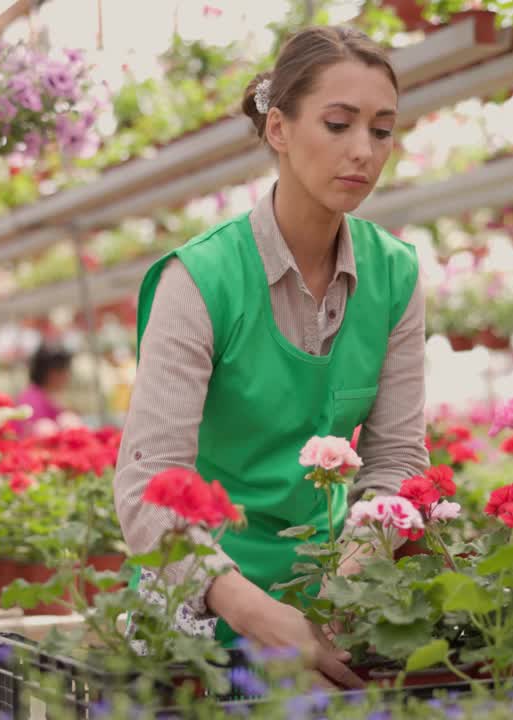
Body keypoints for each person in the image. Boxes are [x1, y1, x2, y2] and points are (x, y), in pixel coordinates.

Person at [113, 26, 428, 689]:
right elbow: (147, 487)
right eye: (338, 124)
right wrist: (254, 610)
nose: (362, 151)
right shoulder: (200, 280)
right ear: (278, 128)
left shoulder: (394, 274)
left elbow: (397, 455)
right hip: (200, 598)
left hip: (324, 592)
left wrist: (354, 575)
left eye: (381, 130)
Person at [15, 344, 73, 433]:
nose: (67, 376)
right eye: (63, 370)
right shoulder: (31, 400)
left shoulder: (45, 395)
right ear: (49, 373)